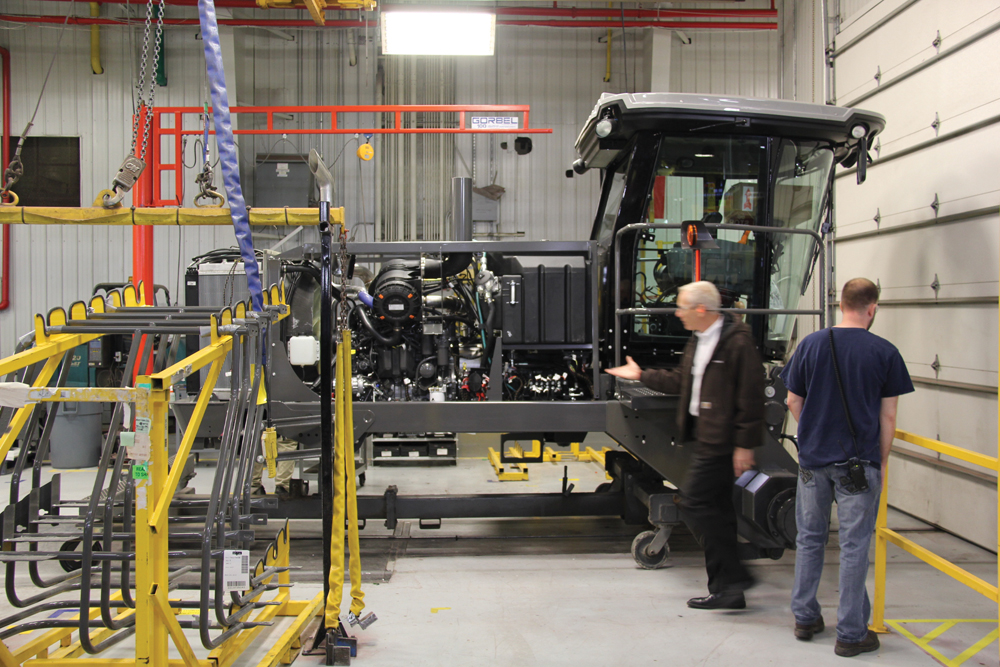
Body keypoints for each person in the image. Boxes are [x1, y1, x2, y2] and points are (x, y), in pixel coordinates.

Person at [607, 280, 764, 610]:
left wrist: (745, 445)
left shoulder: (736, 343)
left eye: (682, 307)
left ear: (702, 309)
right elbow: (681, 381)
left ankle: (735, 576)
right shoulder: (700, 339)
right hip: (704, 435)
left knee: (693, 501)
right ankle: (729, 591)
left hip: (722, 440)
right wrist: (640, 375)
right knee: (718, 510)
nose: (677, 313)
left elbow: (751, 397)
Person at [780, 277, 913, 657]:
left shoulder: (811, 344)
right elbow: (888, 418)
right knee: (854, 547)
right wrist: (881, 462)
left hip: (813, 461)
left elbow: (792, 400)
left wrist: (813, 438)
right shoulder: (885, 352)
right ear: (872, 308)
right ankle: (851, 633)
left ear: (841, 304)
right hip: (859, 464)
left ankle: (805, 617)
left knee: (809, 538)